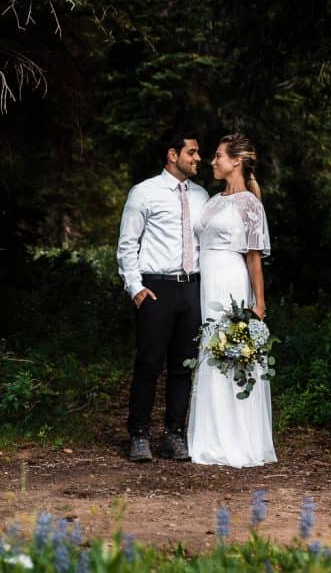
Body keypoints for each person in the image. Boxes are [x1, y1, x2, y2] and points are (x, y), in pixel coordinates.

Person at [116, 130, 208, 462]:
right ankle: (139, 435)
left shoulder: (202, 196)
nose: (198, 158)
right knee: (149, 364)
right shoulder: (144, 192)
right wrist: (135, 288)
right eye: (192, 152)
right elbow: (127, 243)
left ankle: (174, 434)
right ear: (173, 155)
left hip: (192, 288)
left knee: (184, 366)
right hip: (157, 288)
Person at [187, 133, 277, 466]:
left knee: (232, 353)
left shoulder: (249, 204)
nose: (213, 161)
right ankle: (212, 438)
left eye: (218, 156)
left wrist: (259, 304)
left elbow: (254, 258)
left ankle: (238, 440)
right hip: (208, 284)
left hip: (231, 281)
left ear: (236, 161)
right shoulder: (213, 201)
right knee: (211, 352)